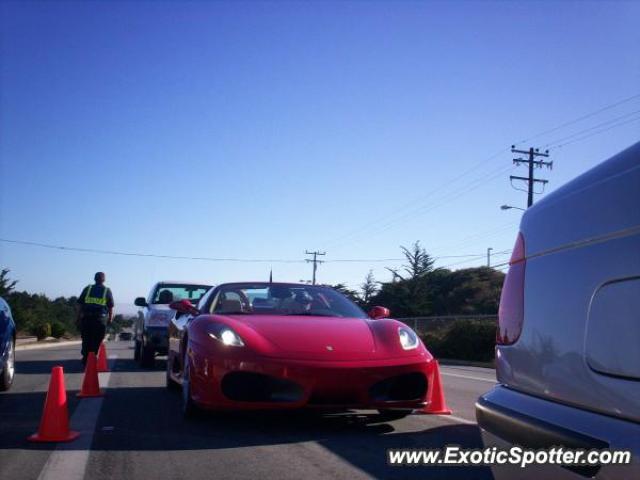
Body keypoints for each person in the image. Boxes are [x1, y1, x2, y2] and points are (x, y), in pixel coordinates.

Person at [77, 272, 114, 366]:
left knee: (86, 339)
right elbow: (110, 307)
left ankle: (86, 357)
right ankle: (92, 356)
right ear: (104, 280)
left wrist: (78, 317)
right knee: (97, 340)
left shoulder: (87, 288)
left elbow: (80, 304)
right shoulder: (107, 290)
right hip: (99, 320)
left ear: (94, 278)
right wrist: (110, 318)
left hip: (86, 318)